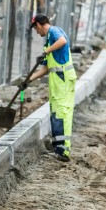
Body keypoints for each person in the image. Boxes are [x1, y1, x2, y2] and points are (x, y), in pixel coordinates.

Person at [25, 15, 76, 162]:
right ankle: (58, 148)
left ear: (40, 25)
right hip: (57, 83)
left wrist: (46, 52)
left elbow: (63, 41)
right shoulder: (48, 41)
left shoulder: (54, 31)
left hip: (63, 80)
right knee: (56, 114)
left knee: (63, 113)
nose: (36, 32)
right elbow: (45, 69)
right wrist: (28, 80)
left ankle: (63, 151)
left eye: (35, 28)